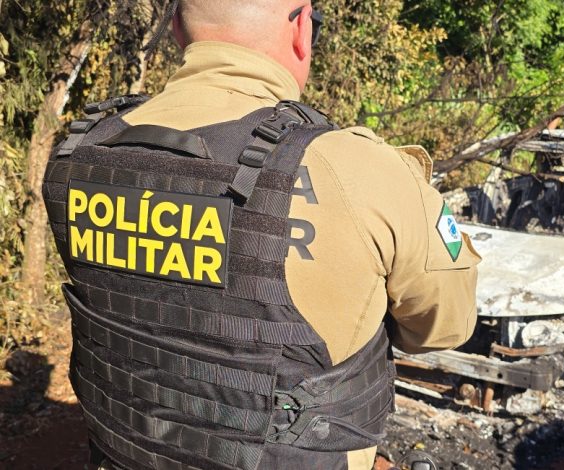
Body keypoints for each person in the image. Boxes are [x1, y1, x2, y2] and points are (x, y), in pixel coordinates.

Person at [42, 1, 480, 469]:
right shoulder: (358, 170)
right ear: (301, 29)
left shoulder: (82, 152)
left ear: (175, 29)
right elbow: (445, 326)